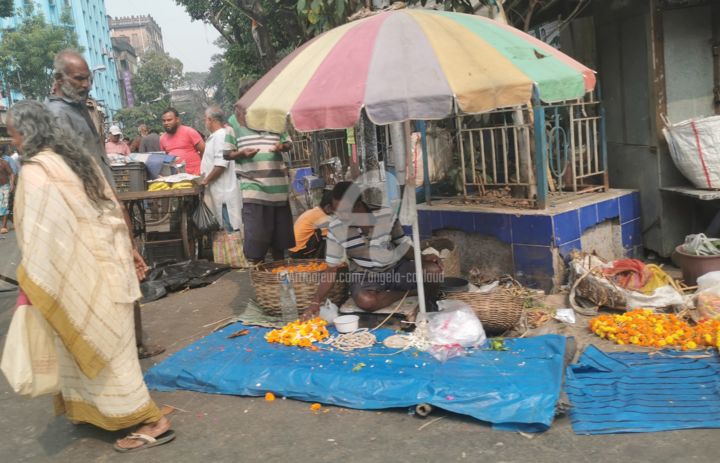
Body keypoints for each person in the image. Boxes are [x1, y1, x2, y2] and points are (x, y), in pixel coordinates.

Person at [7, 100, 175, 452]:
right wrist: (128, 251)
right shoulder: (76, 159)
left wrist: (36, 275)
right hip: (107, 268)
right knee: (110, 346)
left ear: (25, 133)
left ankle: (150, 420)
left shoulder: (37, 172)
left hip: (80, 275)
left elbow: (39, 237)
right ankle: (96, 412)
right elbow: (111, 207)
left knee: (108, 354)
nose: (13, 142)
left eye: (12, 134)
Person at [46, 49, 162, 360]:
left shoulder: (80, 110)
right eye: (79, 78)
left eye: (89, 79)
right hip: (87, 212)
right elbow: (71, 171)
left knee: (128, 270)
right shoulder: (57, 115)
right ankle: (117, 347)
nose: (86, 84)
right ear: (59, 79)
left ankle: (136, 341)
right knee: (107, 281)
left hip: (105, 202)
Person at [304, 182, 443, 317]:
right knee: (366, 301)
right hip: (365, 276)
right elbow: (331, 270)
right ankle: (411, 292)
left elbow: (402, 245)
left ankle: (415, 297)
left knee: (433, 271)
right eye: (336, 211)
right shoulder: (335, 228)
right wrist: (316, 301)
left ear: (358, 206)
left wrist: (422, 257)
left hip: (396, 269)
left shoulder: (386, 214)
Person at [224, 104, 295, 263]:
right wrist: (241, 153)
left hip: (279, 191)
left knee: (280, 244)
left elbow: (289, 143)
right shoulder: (234, 122)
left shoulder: (276, 118)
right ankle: (259, 278)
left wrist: (281, 146)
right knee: (256, 242)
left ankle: (280, 279)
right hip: (253, 189)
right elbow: (227, 154)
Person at [200, 106, 242, 231]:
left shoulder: (220, 136)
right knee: (225, 227)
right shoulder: (216, 136)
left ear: (210, 119)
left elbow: (221, 164)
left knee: (229, 230)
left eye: (205, 120)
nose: (205, 122)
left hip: (224, 193)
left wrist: (205, 181)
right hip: (219, 191)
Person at [289, 190, 334, 258]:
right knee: (328, 238)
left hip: (293, 249)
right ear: (328, 207)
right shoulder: (323, 217)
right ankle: (321, 260)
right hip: (300, 251)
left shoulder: (315, 211)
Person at [159, 108, 204, 175]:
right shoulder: (162, 138)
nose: (166, 123)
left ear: (177, 119)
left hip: (194, 175)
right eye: (164, 121)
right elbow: (164, 158)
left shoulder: (189, 131)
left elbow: (204, 150)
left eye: (169, 120)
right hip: (175, 177)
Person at [0, 155, 14, 234]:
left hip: (5, 186)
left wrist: (12, 184)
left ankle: (4, 226)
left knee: (4, 206)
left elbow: (11, 173)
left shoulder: (3, 163)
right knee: (1, 206)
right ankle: (15, 222)